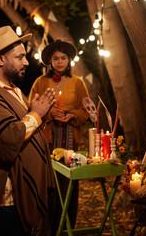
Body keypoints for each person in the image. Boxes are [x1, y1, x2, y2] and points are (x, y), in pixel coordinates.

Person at [0, 26, 56, 236]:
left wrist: (34, 113)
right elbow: (8, 138)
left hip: (18, 198)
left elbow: (22, 126)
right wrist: (36, 114)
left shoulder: (12, 89)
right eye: (20, 57)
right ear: (0, 60)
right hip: (6, 201)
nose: (26, 62)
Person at [29, 39, 90, 232]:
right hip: (47, 140)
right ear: (49, 60)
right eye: (55, 58)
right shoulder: (40, 82)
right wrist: (48, 114)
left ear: (69, 60)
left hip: (71, 140)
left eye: (63, 58)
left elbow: (86, 109)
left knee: (69, 185)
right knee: (49, 184)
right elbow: (31, 107)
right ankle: (47, 228)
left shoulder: (78, 83)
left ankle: (67, 227)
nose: (60, 62)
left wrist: (73, 115)